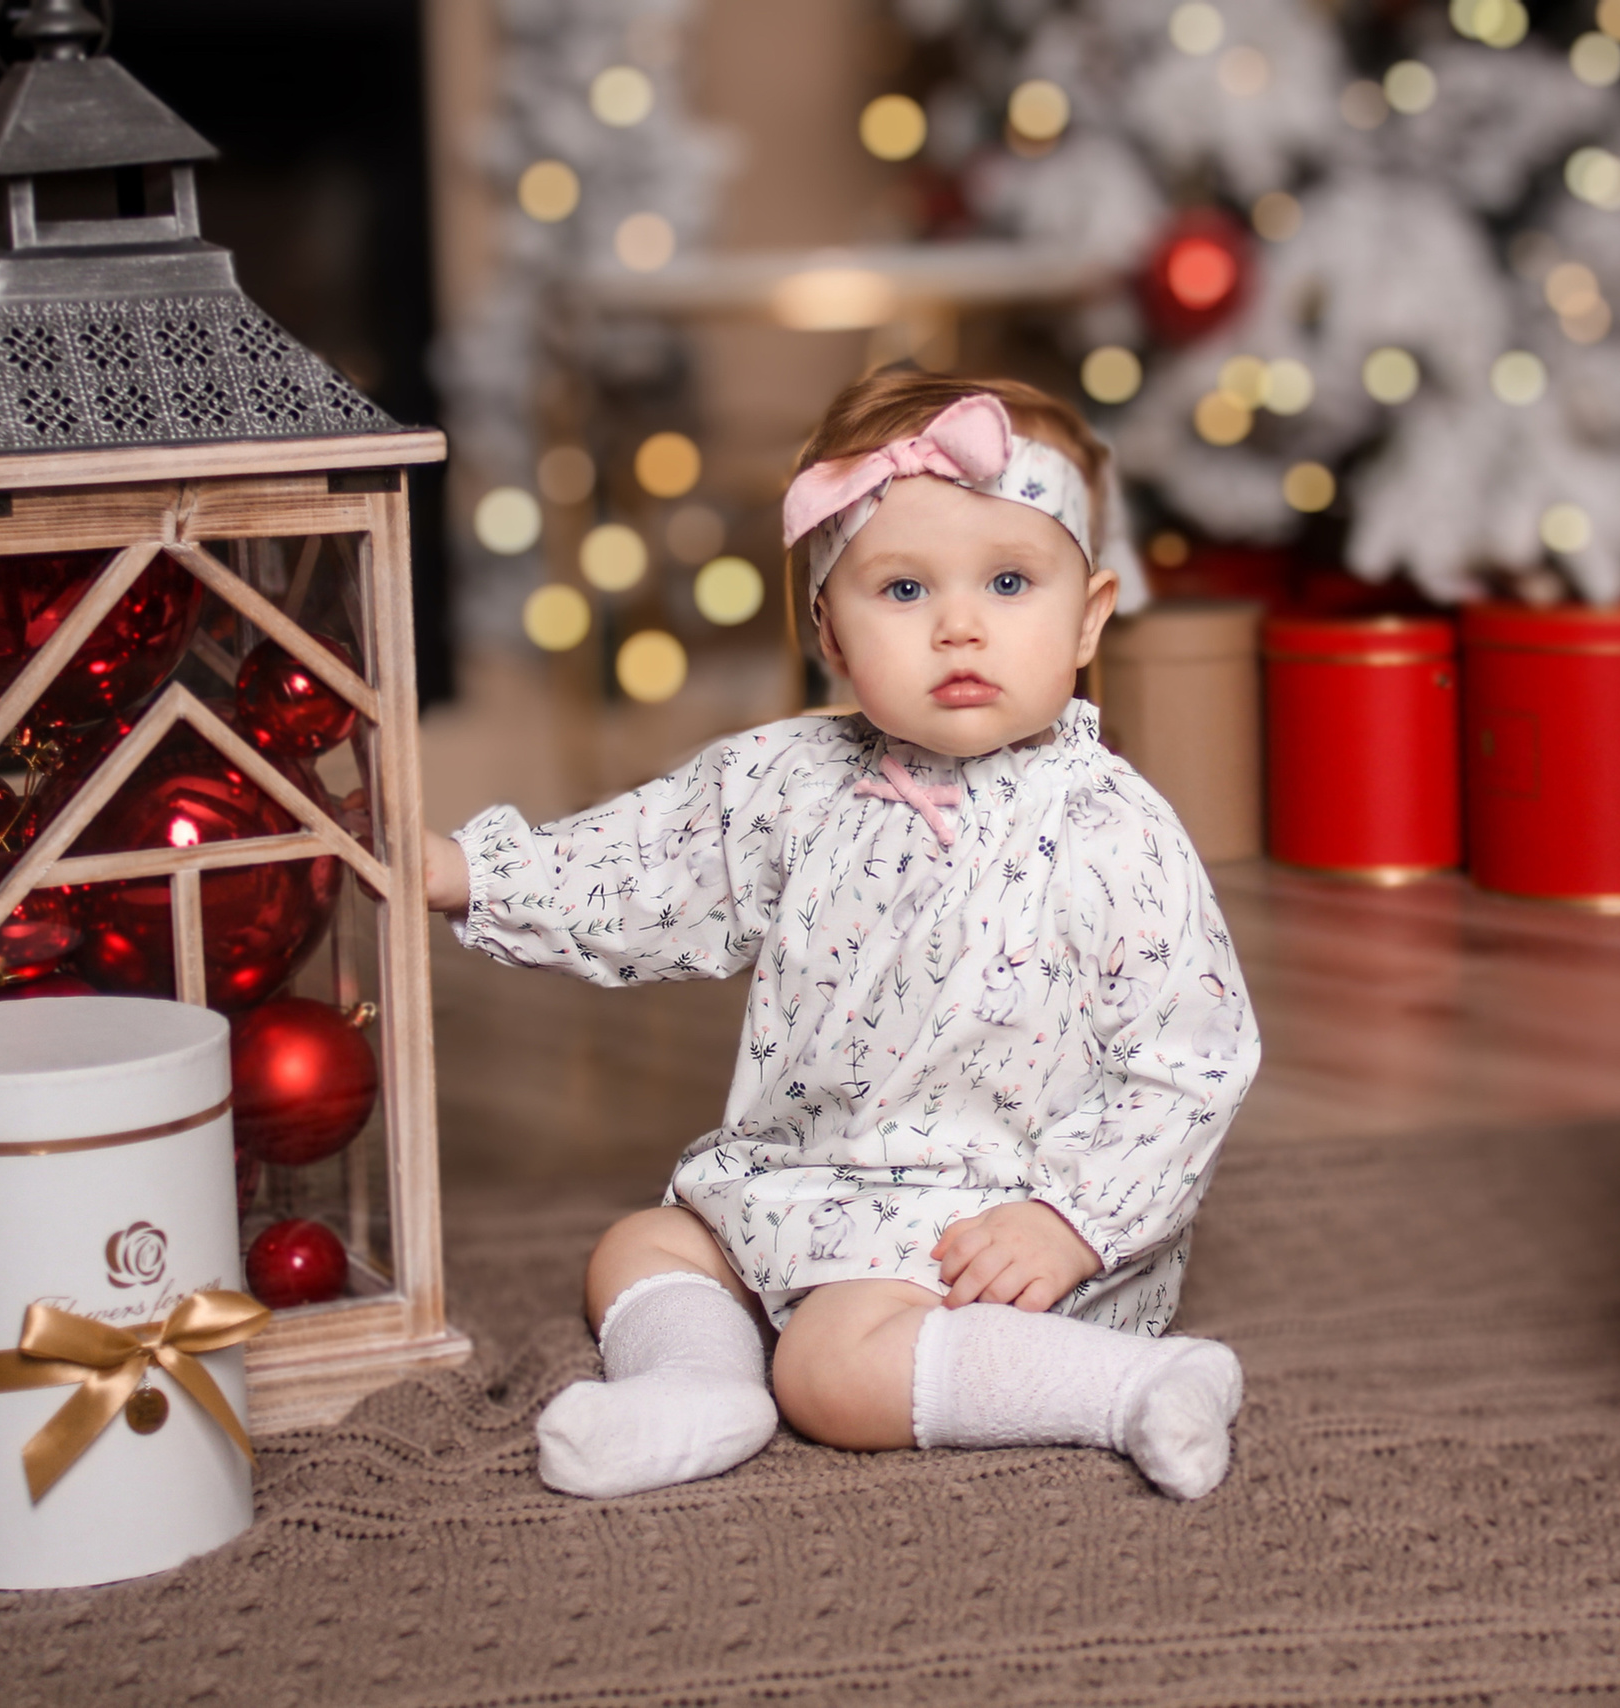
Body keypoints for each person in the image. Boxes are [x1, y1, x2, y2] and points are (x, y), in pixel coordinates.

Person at [422, 372, 1260, 1501]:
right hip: (797, 1178)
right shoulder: (791, 779)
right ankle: (697, 1386)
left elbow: (1191, 1055)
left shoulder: (1106, 824)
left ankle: (1133, 1384)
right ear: (828, 627)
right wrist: (471, 872)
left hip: (997, 1216)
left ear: (1087, 618)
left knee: (832, 1367)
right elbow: (652, 861)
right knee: (641, 1248)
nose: (959, 624)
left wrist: (1071, 1217)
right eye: (903, 588)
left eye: (1010, 582)